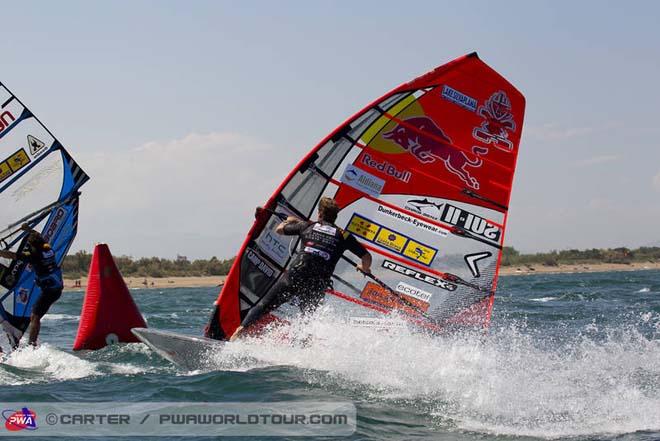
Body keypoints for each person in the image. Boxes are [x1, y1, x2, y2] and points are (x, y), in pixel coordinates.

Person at [230, 197, 372, 341]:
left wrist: (290, 221)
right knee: (307, 319)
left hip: (296, 275)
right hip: (317, 282)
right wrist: (364, 268)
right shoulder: (344, 235)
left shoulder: (306, 226)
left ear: (319, 213)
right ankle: (304, 351)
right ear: (335, 216)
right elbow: (367, 256)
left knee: (264, 305)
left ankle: (237, 334)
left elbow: (279, 230)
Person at [0, 224, 63, 348]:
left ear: (34, 246)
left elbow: (12, 256)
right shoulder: (47, 249)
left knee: (35, 316)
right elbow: (39, 237)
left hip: (49, 291)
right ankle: (32, 344)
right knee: (35, 316)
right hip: (56, 289)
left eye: (29, 246)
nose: (28, 248)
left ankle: (32, 345)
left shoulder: (34, 256)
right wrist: (28, 229)